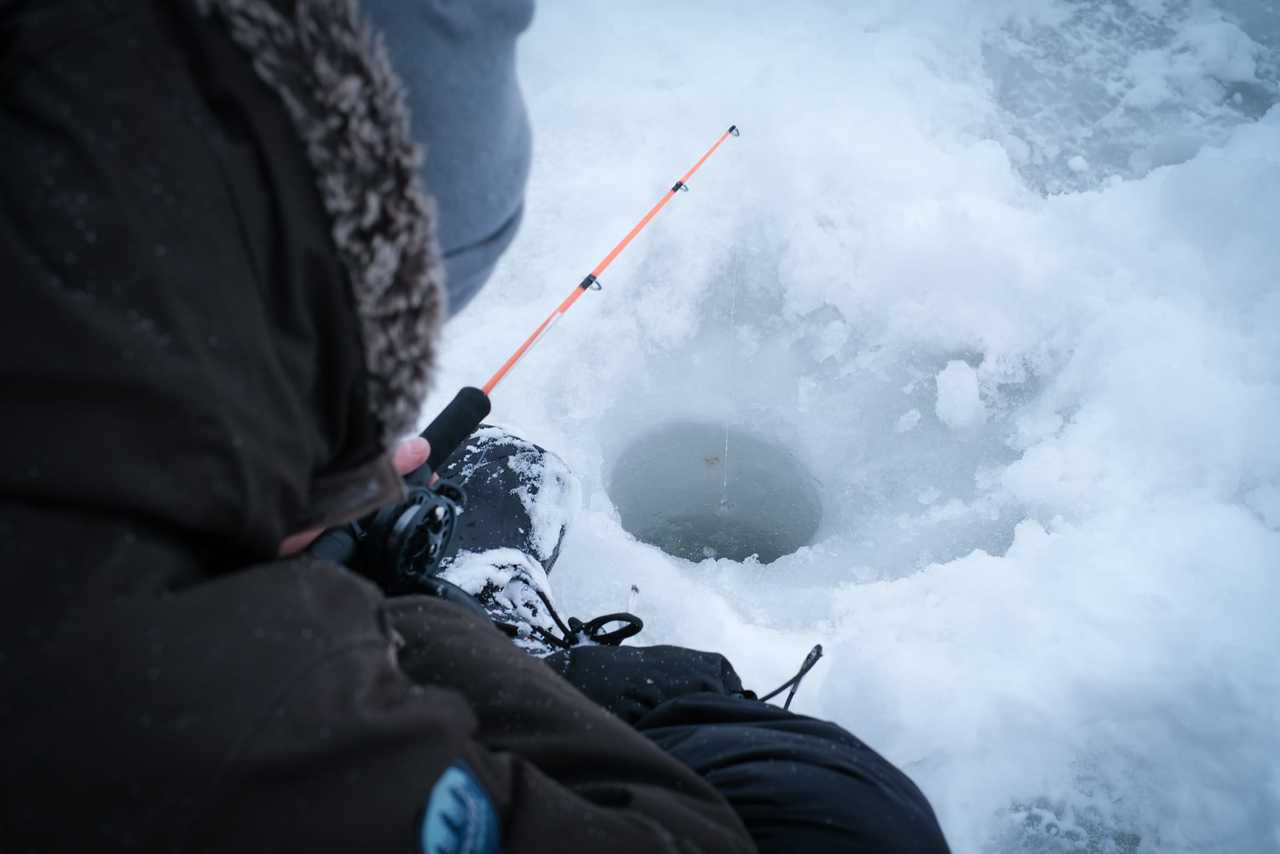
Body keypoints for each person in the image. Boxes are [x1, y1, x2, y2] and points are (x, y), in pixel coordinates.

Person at [0, 2, 950, 852]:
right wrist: (418, 615)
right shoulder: (222, 699)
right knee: (856, 818)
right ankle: (505, 616)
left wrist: (303, 489)